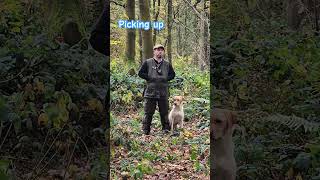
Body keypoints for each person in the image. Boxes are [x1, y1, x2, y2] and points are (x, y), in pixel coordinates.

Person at [138, 44, 176, 135]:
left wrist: (165, 78)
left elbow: (173, 75)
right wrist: (149, 78)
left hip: (163, 91)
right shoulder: (147, 62)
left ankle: (166, 129)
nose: (159, 51)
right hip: (150, 91)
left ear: (163, 52)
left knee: (164, 112)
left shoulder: (167, 64)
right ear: (154, 51)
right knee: (148, 112)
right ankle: (146, 130)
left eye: (161, 50)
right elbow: (140, 73)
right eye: (157, 50)